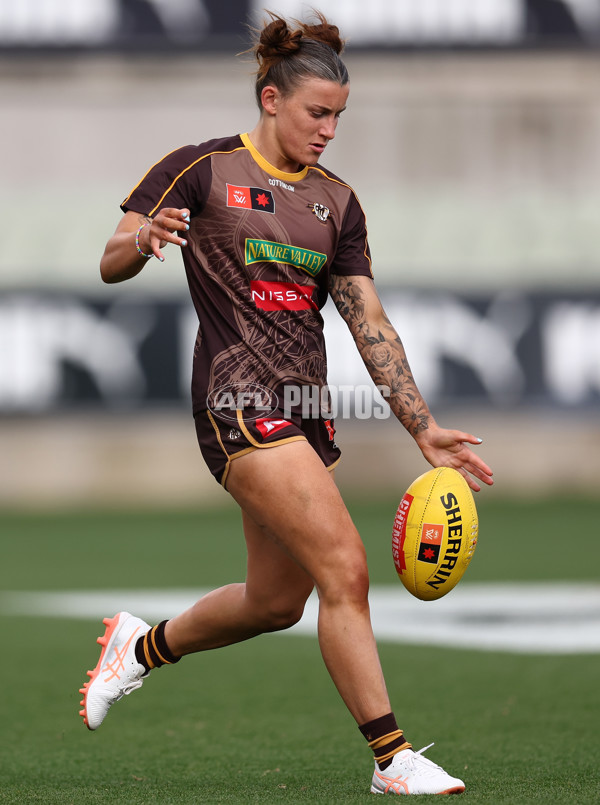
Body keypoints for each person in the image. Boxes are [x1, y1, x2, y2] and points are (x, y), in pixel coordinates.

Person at [78, 10, 493, 796]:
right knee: (346, 564)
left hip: (304, 409)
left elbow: (369, 321)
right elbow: (109, 260)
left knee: (274, 601)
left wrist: (424, 428)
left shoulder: (337, 201)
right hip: (234, 402)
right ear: (271, 98)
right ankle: (391, 757)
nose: (330, 129)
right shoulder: (199, 168)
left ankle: (139, 646)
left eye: (339, 115)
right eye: (317, 113)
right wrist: (143, 239)